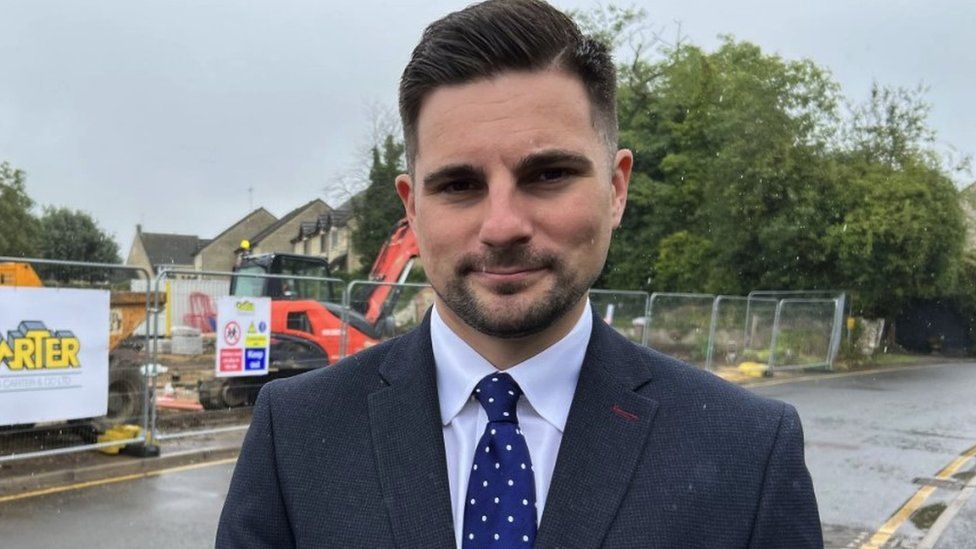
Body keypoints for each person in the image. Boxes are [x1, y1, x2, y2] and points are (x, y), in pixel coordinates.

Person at [216, 1, 823, 547]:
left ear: (616, 189)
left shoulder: (748, 452)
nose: (502, 225)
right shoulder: (294, 435)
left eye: (548, 174)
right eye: (459, 184)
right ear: (412, 207)